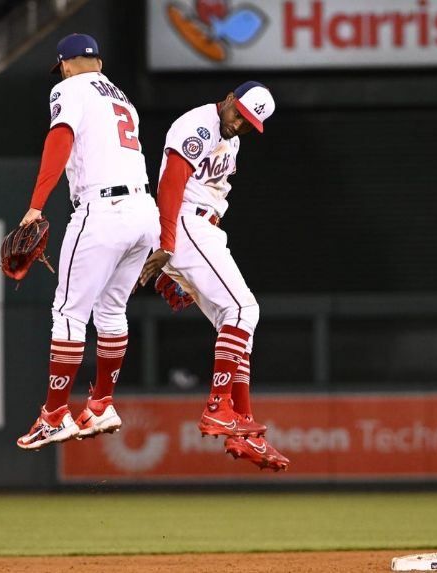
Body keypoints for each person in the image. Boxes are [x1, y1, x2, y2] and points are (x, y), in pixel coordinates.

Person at [16, 34, 159, 450]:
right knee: (111, 310)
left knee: (68, 312)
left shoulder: (68, 87)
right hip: (143, 211)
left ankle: (55, 415)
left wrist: (36, 205)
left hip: (103, 210)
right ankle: (101, 404)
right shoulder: (122, 97)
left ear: (66, 63)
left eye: (61, 66)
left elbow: (59, 139)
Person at [138, 81, 290, 471]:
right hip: (186, 223)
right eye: (238, 112)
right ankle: (217, 407)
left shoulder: (232, 140)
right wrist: (168, 247)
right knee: (244, 310)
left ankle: (245, 432)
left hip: (204, 227)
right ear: (226, 100)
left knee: (237, 327)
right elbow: (171, 182)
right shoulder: (199, 126)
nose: (239, 123)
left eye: (248, 121)